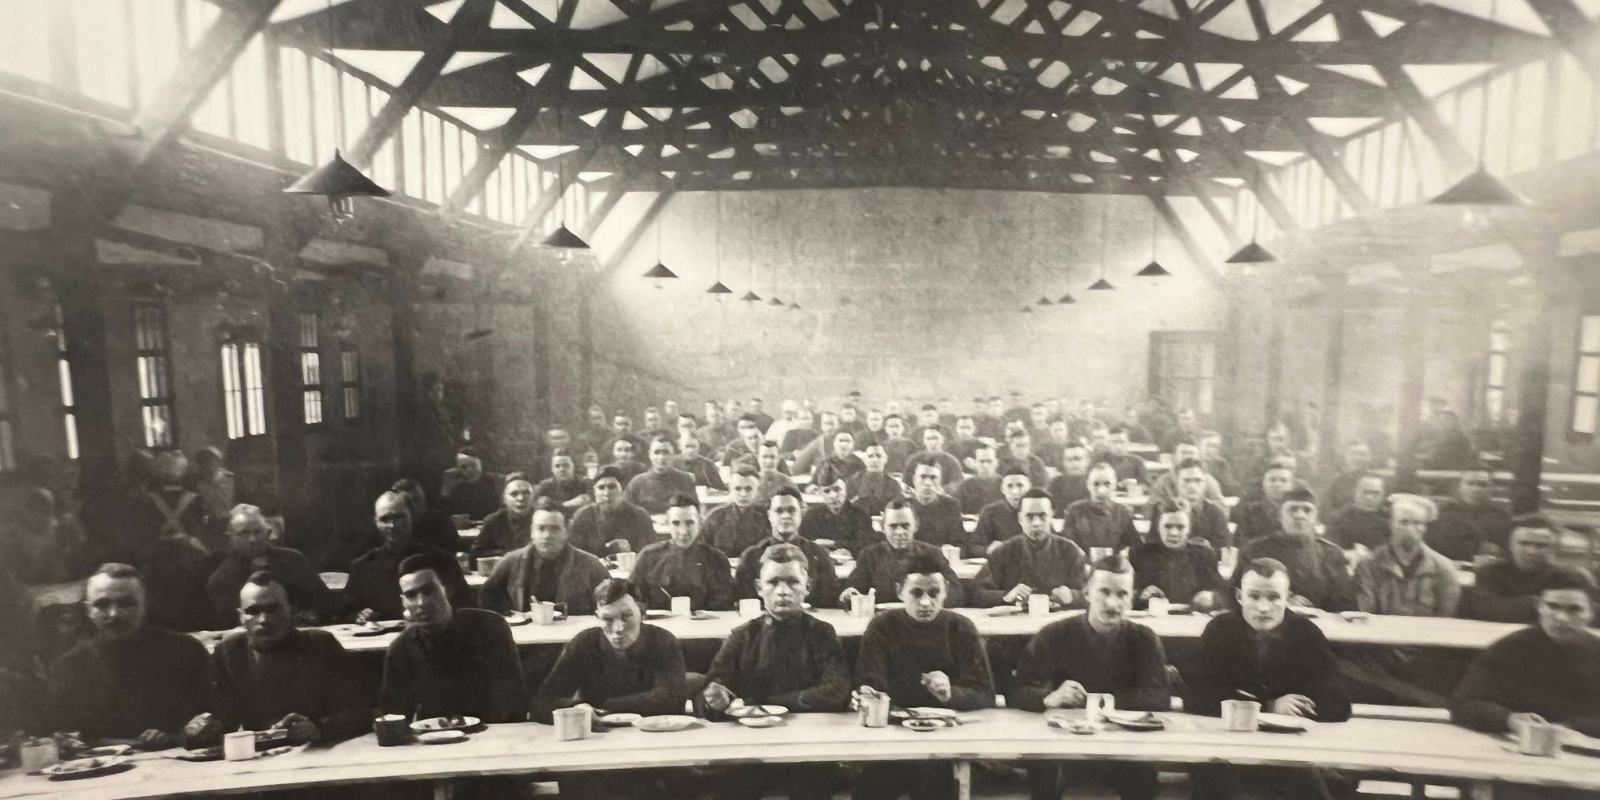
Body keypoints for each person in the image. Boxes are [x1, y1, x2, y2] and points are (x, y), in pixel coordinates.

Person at [1185, 558, 1352, 800]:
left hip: (1288, 752)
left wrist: (1299, 707)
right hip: (1225, 749)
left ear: (1288, 598)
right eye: (1254, 597)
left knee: (1315, 791)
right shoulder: (1219, 630)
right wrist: (1270, 706)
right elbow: (1196, 696)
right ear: (1240, 596)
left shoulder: (1306, 634)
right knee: (1210, 782)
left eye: (1274, 597)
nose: (1263, 608)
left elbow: (1339, 704)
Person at [1013, 556, 1168, 800]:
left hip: (1124, 748)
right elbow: (1017, 691)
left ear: (1132, 596)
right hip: (1061, 748)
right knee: (1044, 775)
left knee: (1143, 782)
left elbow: (1160, 696)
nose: (1112, 603)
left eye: (1122, 594)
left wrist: (1105, 703)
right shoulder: (1054, 635)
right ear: (1086, 592)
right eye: (1104, 592)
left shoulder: (1144, 639)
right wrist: (1048, 697)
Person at [703, 543, 849, 800]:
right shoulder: (743, 636)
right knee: (729, 790)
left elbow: (836, 691)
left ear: (807, 587)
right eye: (773, 583)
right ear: (759, 588)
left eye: (793, 582)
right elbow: (715, 685)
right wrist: (715, 699)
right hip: (752, 748)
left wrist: (764, 702)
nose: (783, 591)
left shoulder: (822, 633)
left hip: (809, 749)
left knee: (809, 790)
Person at [854, 554, 994, 800]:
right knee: (871, 790)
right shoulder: (881, 627)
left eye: (934, 593)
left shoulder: (962, 628)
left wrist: (952, 693)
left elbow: (985, 693)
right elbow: (869, 683)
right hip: (892, 737)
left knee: (934, 785)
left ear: (946, 591)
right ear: (899, 591)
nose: (926, 602)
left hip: (946, 741)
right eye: (916, 593)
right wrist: (868, 695)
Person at [50, 564, 208, 747]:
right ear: (88, 610)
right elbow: (68, 734)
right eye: (102, 605)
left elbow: (209, 719)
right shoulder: (70, 666)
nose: (114, 614)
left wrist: (180, 735)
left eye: (126, 603)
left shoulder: (186, 651)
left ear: (146, 604)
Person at [202, 571, 366, 743]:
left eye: (274, 609)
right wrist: (208, 727)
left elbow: (360, 709)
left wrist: (320, 727)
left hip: (318, 748)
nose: (264, 619)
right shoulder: (229, 652)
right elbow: (219, 715)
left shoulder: (321, 645)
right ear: (241, 616)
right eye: (253, 611)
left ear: (291, 609)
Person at [379, 552, 529, 722]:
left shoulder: (489, 627)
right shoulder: (401, 649)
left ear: (447, 590)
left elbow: (514, 701)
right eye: (411, 595)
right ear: (403, 602)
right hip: (433, 740)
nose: (421, 602)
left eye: (429, 591)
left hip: (491, 734)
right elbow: (394, 716)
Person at [1450, 569, 1600, 738]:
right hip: (1514, 745)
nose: (1561, 618)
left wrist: (1573, 726)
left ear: (1591, 612)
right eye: (1552, 606)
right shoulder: (1510, 648)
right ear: (1540, 607)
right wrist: (1508, 719)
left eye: (1574, 610)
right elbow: (1463, 703)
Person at [535, 578, 689, 722]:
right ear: (597, 617)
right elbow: (542, 703)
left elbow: (675, 702)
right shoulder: (584, 644)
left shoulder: (663, 641)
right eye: (607, 619)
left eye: (626, 617)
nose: (618, 629)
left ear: (642, 613)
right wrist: (576, 709)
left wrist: (606, 706)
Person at [346, 491, 472, 622]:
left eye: (399, 517)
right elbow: (347, 611)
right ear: (376, 522)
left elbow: (463, 606)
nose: (392, 525)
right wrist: (359, 615)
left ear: (412, 517)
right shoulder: (363, 567)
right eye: (384, 519)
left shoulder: (442, 561)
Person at [205, 504, 335, 627]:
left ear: (268, 533)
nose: (253, 539)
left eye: (258, 532)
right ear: (231, 537)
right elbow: (229, 624)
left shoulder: (294, 560)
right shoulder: (221, 579)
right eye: (243, 533)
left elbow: (324, 603)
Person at [481, 498, 611, 616]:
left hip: (572, 636)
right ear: (532, 531)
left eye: (555, 529)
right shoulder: (510, 562)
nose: (547, 535)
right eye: (541, 528)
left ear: (567, 531)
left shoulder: (591, 565)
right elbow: (487, 601)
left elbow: (611, 603)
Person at [1237, 488, 1355, 612]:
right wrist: (1283, 598)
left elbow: (1344, 601)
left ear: (1315, 518)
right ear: (1279, 516)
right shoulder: (1254, 551)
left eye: (1307, 510)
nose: (1300, 515)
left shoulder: (1331, 553)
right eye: (1293, 509)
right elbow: (1237, 592)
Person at [971, 491, 1086, 609]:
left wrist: (1073, 596)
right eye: (1029, 517)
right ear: (1019, 518)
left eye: (1043, 516)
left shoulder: (1070, 551)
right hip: (1015, 622)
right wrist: (1006, 596)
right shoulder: (1003, 551)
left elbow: (1093, 592)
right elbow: (976, 593)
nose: (1036, 523)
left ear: (1052, 516)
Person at [1353, 494, 1462, 617]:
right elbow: (1365, 614)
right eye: (1404, 522)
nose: (1410, 529)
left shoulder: (1444, 568)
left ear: (1425, 528)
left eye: (1418, 523)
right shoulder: (1368, 565)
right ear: (1390, 524)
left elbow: (1445, 618)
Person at [841, 499, 964, 606]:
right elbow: (852, 589)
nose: (899, 532)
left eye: (905, 526)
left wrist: (931, 600)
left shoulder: (932, 553)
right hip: (883, 620)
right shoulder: (870, 556)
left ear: (916, 526)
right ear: (882, 528)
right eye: (893, 526)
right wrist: (850, 594)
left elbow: (957, 592)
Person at [735, 489, 841, 609]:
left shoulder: (818, 554)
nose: (786, 516)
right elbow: (744, 600)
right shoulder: (752, 556)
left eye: (791, 511)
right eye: (779, 511)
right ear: (769, 516)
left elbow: (830, 598)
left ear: (801, 513)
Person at [1464, 517, 1581, 623]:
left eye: (1541, 545)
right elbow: (1484, 610)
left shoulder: (1569, 576)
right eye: (1524, 544)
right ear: (1510, 545)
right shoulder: (1490, 572)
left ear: (1555, 548)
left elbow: (1586, 613)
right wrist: (1536, 603)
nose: (1532, 551)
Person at [630, 494, 735, 612]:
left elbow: (725, 604)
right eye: (676, 523)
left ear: (700, 523)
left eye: (690, 523)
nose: (683, 531)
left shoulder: (717, 559)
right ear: (667, 523)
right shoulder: (648, 556)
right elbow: (632, 598)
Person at [1128, 500, 1225, 612]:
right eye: (1168, 526)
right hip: (1153, 620)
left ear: (1189, 529)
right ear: (1158, 527)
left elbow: (1224, 593)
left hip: (1191, 621)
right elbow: (1126, 595)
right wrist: (1142, 595)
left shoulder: (1204, 555)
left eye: (1180, 527)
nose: (1174, 533)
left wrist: (1212, 597)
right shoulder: (1140, 554)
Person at [1427, 469, 1513, 562]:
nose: (1475, 489)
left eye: (1482, 485)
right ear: (1460, 487)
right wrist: (1477, 549)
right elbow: (1436, 547)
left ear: (1491, 488)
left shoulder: (1501, 517)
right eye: (1470, 483)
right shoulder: (1443, 514)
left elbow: (1508, 549)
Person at [570, 467, 656, 555]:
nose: (607, 493)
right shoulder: (583, 515)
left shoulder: (639, 515)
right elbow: (575, 552)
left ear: (621, 491)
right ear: (595, 492)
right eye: (601, 488)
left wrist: (630, 549)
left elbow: (649, 553)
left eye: (612, 487)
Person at [1060, 462, 1141, 552]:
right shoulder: (1075, 510)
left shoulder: (1122, 512)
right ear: (1087, 484)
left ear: (1114, 485)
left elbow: (1135, 545)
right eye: (1096, 484)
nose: (1101, 490)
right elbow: (1066, 544)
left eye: (1107, 484)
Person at [798, 466, 875, 557]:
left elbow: (867, 545)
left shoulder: (861, 515)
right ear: (820, 492)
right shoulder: (811, 516)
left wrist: (834, 544)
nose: (833, 495)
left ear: (846, 488)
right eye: (827, 491)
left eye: (837, 489)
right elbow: (801, 544)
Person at [703, 466, 773, 555]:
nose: (743, 494)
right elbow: (702, 548)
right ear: (730, 489)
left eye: (748, 489)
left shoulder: (767, 517)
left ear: (757, 491)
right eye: (738, 489)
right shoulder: (716, 516)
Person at [904, 460, 968, 552]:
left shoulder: (950, 506)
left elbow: (960, 543)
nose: (928, 483)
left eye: (933, 478)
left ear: (940, 481)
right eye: (923, 477)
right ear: (914, 480)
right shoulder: (904, 505)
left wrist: (952, 549)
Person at [625, 436, 698, 515]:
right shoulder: (637, 482)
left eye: (666, 453)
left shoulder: (685, 479)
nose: (661, 457)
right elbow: (628, 513)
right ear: (650, 455)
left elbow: (695, 511)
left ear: (674, 455)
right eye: (657, 452)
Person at [1229, 461, 1297, 546]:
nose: (1277, 484)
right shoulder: (1250, 511)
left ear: (1291, 485)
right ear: (1264, 485)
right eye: (1272, 480)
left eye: (1283, 480)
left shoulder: (1297, 509)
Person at [471, 472, 537, 558]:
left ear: (534, 497)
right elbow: (475, 554)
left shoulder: (545, 518)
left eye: (526, 493)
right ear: (504, 499)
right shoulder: (494, 521)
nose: (521, 498)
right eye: (514, 494)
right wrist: (505, 553)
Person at [392, 477, 466, 553]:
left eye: (417, 500)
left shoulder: (440, 521)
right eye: (408, 503)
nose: (414, 507)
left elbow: (453, 548)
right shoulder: (391, 525)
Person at [971, 468, 1033, 556]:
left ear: (1029, 488)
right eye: (1009, 486)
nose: (1015, 491)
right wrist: (988, 550)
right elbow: (974, 546)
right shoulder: (990, 512)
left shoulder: (1039, 511)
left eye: (1020, 485)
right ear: (1002, 489)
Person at [1323, 474, 1389, 551]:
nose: (1370, 498)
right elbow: (1328, 549)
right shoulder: (1339, 519)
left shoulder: (1390, 519)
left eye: (1375, 493)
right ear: (1355, 493)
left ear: (1383, 495)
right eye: (1366, 492)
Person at [1146, 442, 1223, 506]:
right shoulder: (1163, 480)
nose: (1187, 456)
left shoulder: (1208, 480)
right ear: (1174, 456)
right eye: (1183, 453)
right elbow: (1152, 504)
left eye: (1191, 453)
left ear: (1199, 456)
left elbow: (1219, 503)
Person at [847, 443, 904, 517]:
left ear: (886, 459)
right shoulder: (853, 482)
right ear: (864, 459)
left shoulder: (893, 484)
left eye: (878, 456)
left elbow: (898, 509)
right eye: (870, 456)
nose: (874, 460)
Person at [533, 449, 593, 518]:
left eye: (566, 465)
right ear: (552, 469)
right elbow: (540, 504)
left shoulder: (585, 484)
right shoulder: (545, 485)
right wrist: (565, 505)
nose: (562, 469)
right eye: (557, 466)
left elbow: (587, 500)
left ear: (573, 466)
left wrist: (554, 506)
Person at [1321, 441, 1375, 515]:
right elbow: (1324, 515)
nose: (1358, 458)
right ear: (1345, 457)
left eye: (1363, 454)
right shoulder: (1336, 482)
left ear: (1370, 457)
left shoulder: (1378, 483)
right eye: (1354, 454)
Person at [439, 454, 500, 520]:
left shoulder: (489, 483)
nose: (461, 470)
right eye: (460, 466)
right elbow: (445, 511)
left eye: (465, 467)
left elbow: (492, 511)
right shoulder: (454, 485)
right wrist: (447, 486)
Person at [953, 444, 1004, 514]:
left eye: (989, 461)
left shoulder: (1005, 485)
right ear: (975, 463)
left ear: (997, 463)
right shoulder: (965, 487)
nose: (985, 466)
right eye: (982, 461)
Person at [790, 412, 842, 477]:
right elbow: (796, 468)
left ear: (838, 425)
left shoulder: (847, 441)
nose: (828, 427)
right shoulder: (816, 444)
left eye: (831, 424)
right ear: (822, 426)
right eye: (825, 424)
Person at [1045, 444, 1092, 514]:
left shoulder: (1095, 482)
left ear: (1087, 461)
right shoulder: (1055, 484)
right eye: (1070, 459)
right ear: (1063, 462)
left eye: (1078, 459)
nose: (1074, 463)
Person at [751, 439, 797, 504]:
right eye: (765, 457)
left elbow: (801, 505)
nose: (769, 461)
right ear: (758, 458)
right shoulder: (751, 481)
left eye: (772, 457)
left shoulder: (786, 481)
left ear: (778, 459)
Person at [1199, 431, 1242, 498]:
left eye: (1215, 446)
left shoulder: (1221, 464)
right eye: (1208, 445)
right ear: (1199, 446)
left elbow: (1231, 487)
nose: (1211, 450)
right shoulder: (1191, 462)